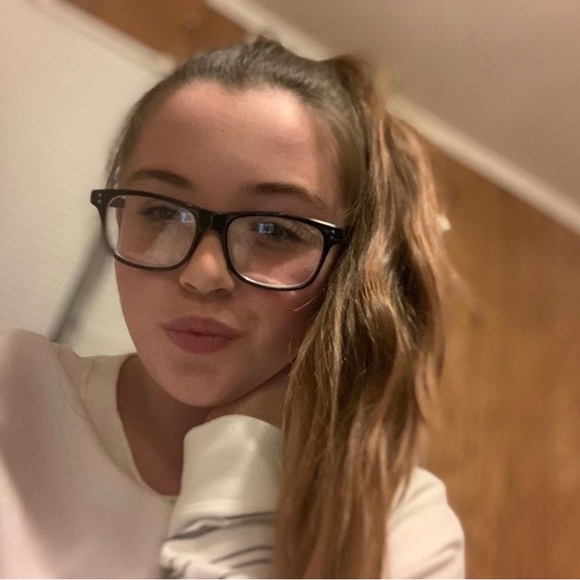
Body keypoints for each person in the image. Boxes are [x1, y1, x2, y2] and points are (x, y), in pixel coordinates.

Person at [0, 39, 464, 578]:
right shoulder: (12, 386)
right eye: (161, 211)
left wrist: (240, 449)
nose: (202, 275)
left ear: (347, 265)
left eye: (273, 229)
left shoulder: (399, 525)